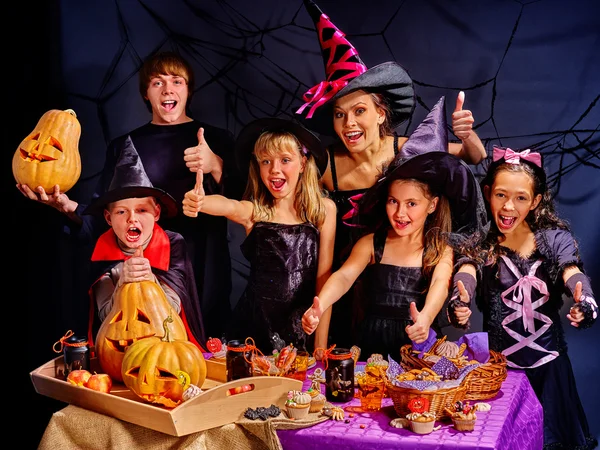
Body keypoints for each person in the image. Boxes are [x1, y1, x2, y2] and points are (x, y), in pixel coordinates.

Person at [295, 0, 488, 349]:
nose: (349, 123)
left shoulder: (409, 153)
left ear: (381, 113)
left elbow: (473, 158)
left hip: (407, 279)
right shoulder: (326, 166)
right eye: (339, 115)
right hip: (349, 276)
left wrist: (466, 134)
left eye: (359, 111)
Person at [16, 51, 241, 340]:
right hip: (143, 270)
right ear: (146, 93)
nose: (168, 89)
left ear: (189, 89)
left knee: (205, 352)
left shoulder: (217, 139)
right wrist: (65, 205)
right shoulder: (125, 145)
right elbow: (104, 218)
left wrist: (216, 165)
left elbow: (247, 207)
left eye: (177, 81)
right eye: (157, 83)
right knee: (148, 351)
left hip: (204, 266)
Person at [302, 98, 487, 362]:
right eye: (393, 202)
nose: (400, 213)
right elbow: (344, 277)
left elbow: (439, 286)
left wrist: (426, 318)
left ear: (432, 205)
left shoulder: (438, 249)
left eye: (412, 204)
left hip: (416, 345)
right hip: (370, 344)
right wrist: (319, 307)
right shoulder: (371, 243)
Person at [447, 147, 598, 450]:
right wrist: (458, 299)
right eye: (501, 195)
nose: (508, 206)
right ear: (488, 193)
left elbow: (572, 273)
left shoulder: (555, 239)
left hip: (550, 371)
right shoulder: (481, 242)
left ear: (536, 201)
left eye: (520, 198)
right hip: (501, 376)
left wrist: (586, 300)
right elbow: (467, 271)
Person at [183, 118, 336, 354]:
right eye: (266, 161)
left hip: (301, 326)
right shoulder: (255, 212)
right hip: (254, 327)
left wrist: (321, 346)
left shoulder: (323, 211)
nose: (274, 169)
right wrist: (200, 202)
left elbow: (324, 280)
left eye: (285, 160)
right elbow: (228, 206)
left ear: (303, 163)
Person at [85, 137, 205, 349]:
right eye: (121, 212)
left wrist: (149, 279)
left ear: (157, 212)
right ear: (108, 218)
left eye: (142, 210)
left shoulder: (172, 245)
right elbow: (104, 316)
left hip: (167, 346)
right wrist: (122, 282)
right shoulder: (101, 253)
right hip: (122, 347)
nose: (132, 219)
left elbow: (174, 310)